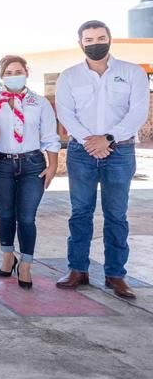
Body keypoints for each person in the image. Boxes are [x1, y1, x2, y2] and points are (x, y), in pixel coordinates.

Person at [55, 21, 149, 300]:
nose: (95, 43)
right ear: (80, 43)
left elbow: (138, 112)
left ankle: (116, 275)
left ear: (110, 39)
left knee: (116, 216)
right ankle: (78, 270)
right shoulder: (69, 76)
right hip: (81, 152)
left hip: (119, 152)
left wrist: (107, 138)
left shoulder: (132, 73)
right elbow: (66, 114)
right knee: (80, 212)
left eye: (100, 37)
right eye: (89, 39)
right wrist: (90, 140)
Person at [0, 55, 60, 289]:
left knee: (26, 217)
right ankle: (8, 255)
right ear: (1, 76)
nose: (14, 76)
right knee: (6, 214)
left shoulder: (40, 103)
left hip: (32, 165)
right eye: (9, 72)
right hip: (0, 164)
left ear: (26, 73)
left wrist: (52, 165)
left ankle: (26, 262)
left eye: (18, 71)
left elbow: (49, 136)